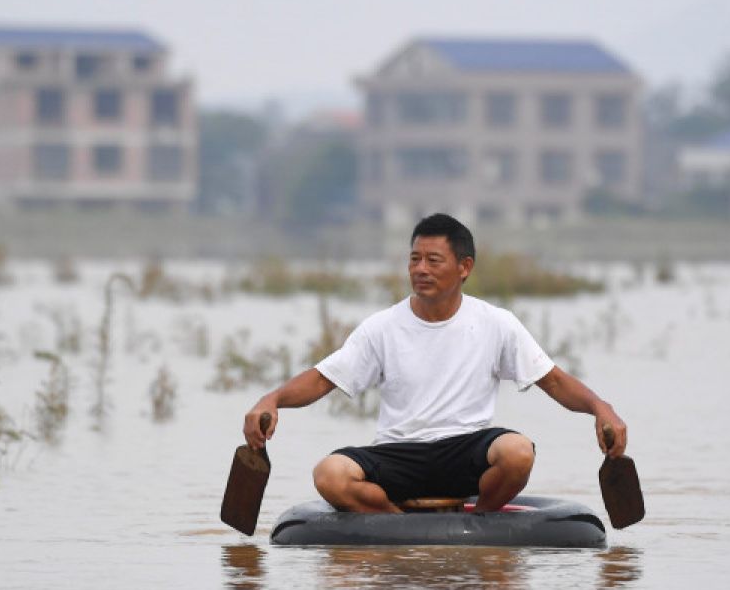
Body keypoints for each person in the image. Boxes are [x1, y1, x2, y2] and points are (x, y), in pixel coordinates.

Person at [242, 213, 629, 513]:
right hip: (398, 453)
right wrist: (271, 400)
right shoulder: (382, 327)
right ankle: (394, 523)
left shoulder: (496, 323)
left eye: (433, 260)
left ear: (464, 267)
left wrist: (600, 408)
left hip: (465, 451)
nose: (420, 269)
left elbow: (555, 382)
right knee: (328, 475)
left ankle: (480, 522)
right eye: (414, 259)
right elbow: (322, 379)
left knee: (518, 452)